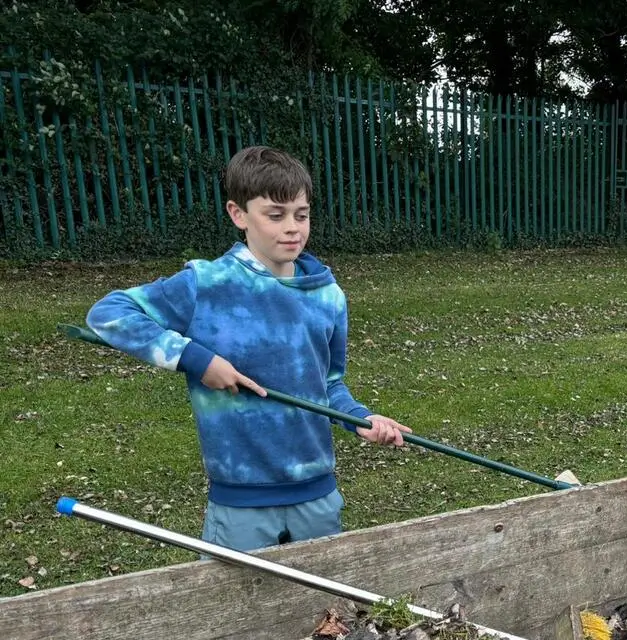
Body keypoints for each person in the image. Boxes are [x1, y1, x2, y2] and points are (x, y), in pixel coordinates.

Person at [86, 145, 409, 552]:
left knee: (323, 612)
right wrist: (195, 359)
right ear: (238, 214)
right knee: (233, 612)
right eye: (275, 215)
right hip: (242, 502)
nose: (292, 227)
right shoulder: (206, 284)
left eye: (301, 214)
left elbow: (329, 385)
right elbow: (109, 312)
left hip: (317, 496)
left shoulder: (328, 295)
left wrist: (359, 418)